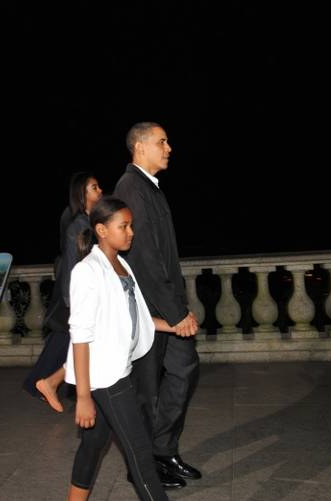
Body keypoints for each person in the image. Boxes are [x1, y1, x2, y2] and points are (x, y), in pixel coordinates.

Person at [66, 196, 173, 501]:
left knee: (93, 444)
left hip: (118, 368)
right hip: (106, 377)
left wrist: (171, 324)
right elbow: (80, 336)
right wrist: (83, 396)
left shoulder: (120, 263)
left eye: (131, 226)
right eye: (123, 226)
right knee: (141, 456)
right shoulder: (88, 272)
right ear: (101, 230)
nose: (131, 232)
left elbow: (133, 314)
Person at [114, 122, 201, 489]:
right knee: (146, 391)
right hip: (152, 312)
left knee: (183, 371)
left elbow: (162, 256)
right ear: (139, 147)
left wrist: (178, 305)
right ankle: (143, 468)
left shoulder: (150, 188)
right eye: (161, 142)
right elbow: (146, 260)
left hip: (167, 305)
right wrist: (177, 314)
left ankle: (164, 451)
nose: (169, 148)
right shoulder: (131, 188)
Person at [23, 172, 103, 412]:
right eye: (94, 187)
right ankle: (49, 382)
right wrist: (73, 304)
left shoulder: (92, 220)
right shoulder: (76, 225)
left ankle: (49, 382)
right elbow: (70, 266)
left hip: (87, 294)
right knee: (79, 343)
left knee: (72, 344)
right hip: (78, 297)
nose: (100, 191)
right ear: (82, 194)